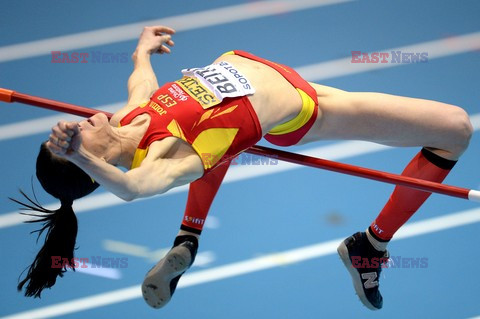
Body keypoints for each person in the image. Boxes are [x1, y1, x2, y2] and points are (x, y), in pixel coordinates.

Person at [13, 25, 472, 310]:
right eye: (74, 137)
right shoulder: (159, 159)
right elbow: (133, 188)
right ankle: (370, 245)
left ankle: (188, 237)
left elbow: (141, 81)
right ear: (90, 162)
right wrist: (77, 154)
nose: (76, 124)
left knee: (214, 142)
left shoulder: (130, 117)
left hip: (277, 74)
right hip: (306, 109)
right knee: (454, 128)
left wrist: (142, 50)